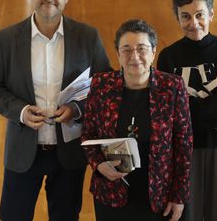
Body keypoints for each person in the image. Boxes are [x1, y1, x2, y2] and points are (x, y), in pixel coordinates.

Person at [0, 0, 111, 221]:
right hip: (22, 152)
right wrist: (21, 111)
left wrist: (77, 109)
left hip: (69, 154)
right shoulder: (6, 39)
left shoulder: (88, 37)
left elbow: (105, 86)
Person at [81, 19, 193, 221]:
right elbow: (88, 134)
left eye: (142, 49)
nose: (134, 57)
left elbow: (184, 145)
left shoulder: (173, 87)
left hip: (159, 194)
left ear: (153, 51)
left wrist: (179, 196)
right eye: (126, 50)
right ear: (117, 54)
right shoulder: (101, 85)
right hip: (112, 191)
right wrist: (98, 165)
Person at [157, 0, 217, 221]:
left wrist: (188, 112)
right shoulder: (167, 58)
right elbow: (170, 110)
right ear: (177, 18)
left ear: (211, 14)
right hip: (184, 149)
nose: (193, 23)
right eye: (185, 16)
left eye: (199, 15)